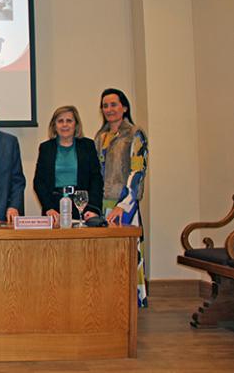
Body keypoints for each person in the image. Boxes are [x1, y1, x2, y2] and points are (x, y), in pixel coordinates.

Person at [94, 88, 148, 308]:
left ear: (124, 107)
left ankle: (131, 303)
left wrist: (124, 205)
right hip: (102, 203)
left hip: (124, 205)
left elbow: (137, 171)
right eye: (105, 106)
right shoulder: (100, 136)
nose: (109, 110)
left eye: (114, 104)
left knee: (126, 257)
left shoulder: (135, 134)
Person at [33, 105, 103, 224]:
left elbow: (96, 179)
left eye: (69, 121)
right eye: (60, 121)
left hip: (82, 206)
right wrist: (48, 207)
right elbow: (39, 182)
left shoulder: (88, 146)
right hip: (54, 207)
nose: (64, 125)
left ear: (76, 124)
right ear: (54, 126)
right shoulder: (46, 148)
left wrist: (93, 208)